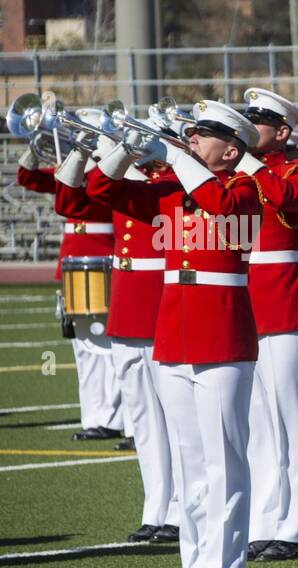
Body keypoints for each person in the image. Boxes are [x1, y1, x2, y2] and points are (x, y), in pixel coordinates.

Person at [89, 100, 263, 568]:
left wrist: (174, 156)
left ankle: (225, 566)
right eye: (189, 134)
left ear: (230, 150)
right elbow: (101, 190)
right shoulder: (171, 186)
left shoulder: (243, 189)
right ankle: (195, 561)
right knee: (189, 459)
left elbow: (225, 211)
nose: (190, 140)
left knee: (224, 457)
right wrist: (123, 148)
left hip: (222, 333)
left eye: (201, 135)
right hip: (174, 330)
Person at [81, 114, 180, 545]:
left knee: (174, 418)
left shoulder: (176, 180)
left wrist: (160, 155)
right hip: (127, 305)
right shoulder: (132, 175)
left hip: (160, 303)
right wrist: (119, 149)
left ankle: (178, 511)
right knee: (142, 418)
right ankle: (155, 506)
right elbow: (80, 196)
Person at [237, 88, 298, 562]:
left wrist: (247, 164)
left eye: (259, 122)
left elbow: (289, 201)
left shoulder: (296, 170)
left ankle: (295, 528)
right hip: (247, 303)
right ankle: (265, 522)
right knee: (259, 425)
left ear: (283, 132)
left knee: (289, 420)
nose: (250, 129)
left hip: (284, 304)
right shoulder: (244, 173)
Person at [17, 137, 124, 441]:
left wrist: (81, 160)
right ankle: (96, 417)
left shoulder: (106, 176)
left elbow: (73, 201)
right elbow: (26, 177)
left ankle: (114, 417)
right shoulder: (74, 173)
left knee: (106, 347)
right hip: (73, 264)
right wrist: (36, 147)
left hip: (103, 258)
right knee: (84, 349)